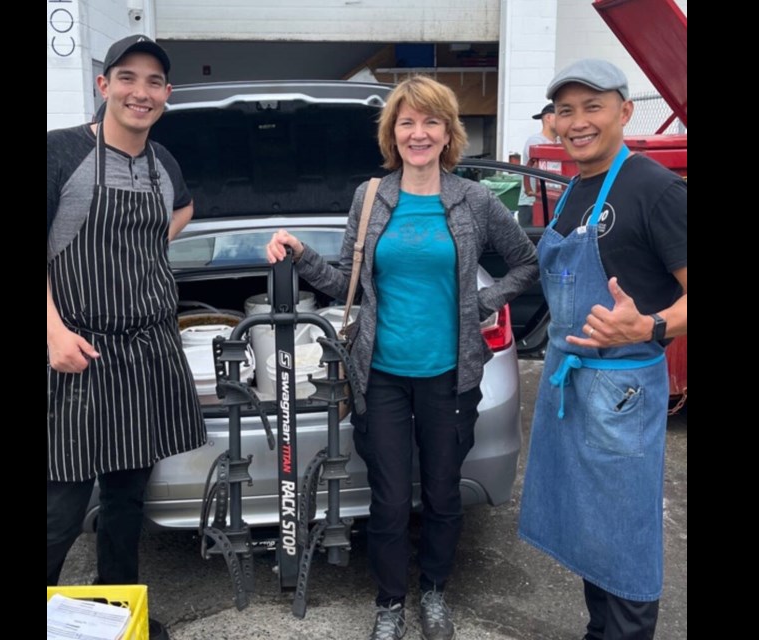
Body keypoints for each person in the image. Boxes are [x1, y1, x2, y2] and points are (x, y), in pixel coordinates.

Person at [266, 76, 539, 640]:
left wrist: (479, 303)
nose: (418, 132)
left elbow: (526, 264)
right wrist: (299, 251)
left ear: (447, 133)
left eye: (430, 121)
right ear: (393, 133)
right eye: (407, 122)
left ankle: (434, 593)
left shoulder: (475, 199)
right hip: (381, 375)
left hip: (450, 376)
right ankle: (390, 603)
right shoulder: (371, 198)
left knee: (442, 493)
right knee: (389, 500)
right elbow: (347, 281)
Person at [517, 59, 687, 640]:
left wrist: (650, 328)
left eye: (593, 106)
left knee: (625, 537)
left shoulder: (656, 188)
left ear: (624, 110)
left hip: (623, 392)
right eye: (566, 110)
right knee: (591, 531)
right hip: (574, 383)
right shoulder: (572, 191)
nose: (577, 122)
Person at [47, 35, 205, 635]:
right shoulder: (61, 154)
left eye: (154, 81)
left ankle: (112, 614)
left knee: (125, 506)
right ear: (103, 85)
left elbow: (183, 209)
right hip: (77, 355)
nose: (141, 92)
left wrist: (141, 248)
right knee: (60, 512)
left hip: (144, 354)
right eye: (128, 78)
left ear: (167, 94)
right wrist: (54, 332)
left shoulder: (163, 162)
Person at [516, 103, 558, 222]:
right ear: (549, 118)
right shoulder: (535, 142)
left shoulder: (560, 142)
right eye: (561, 116)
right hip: (532, 203)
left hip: (551, 203)